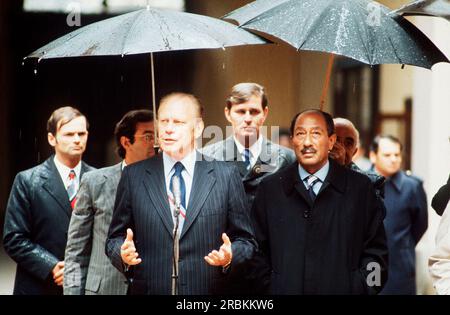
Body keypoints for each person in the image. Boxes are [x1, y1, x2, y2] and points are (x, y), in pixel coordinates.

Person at [106, 92, 256, 295]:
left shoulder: (225, 175)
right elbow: (115, 238)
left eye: (178, 122)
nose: (168, 129)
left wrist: (230, 255)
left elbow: (246, 241)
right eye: (164, 121)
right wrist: (121, 254)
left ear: (198, 128)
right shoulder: (134, 175)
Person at [252, 109, 388, 294]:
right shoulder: (271, 188)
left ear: (331, 141)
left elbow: (377, 255)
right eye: (300, 134)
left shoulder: (361, 188)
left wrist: (361, 288)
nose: (307, 142)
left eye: (316, 133)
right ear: (292, 140)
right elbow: (256, 252)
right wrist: (273, 287)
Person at [3, 106, 94, 295]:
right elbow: (14, 237)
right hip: (39, 284)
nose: (77, 139)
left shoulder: (99, 179)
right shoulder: (28, 180)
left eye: (81, 133)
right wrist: (51, 265)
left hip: (87, 282)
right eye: (69, 134)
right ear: (52, 138)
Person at [63, 109, 155, 295]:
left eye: (158, 136)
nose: (156, 143)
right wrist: (72, 292)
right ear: (126, 141)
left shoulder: (168, 183)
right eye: (148, 136)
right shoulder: (94, 182)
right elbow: (75, 251)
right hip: (104, 289)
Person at [202, 83, 296, 206]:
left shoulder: (287, 158)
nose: (247, 119)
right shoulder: (207, 157)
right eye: (240, 111)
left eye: (254, 112)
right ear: (228, 113)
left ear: (265, 113)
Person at [370, 135, 428, 295]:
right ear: (373, 156)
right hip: (369, 265)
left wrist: (403, 246)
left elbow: (421, 224)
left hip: (400, 265)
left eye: (397, 155)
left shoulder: (412, 186)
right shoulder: (361, 182)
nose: (394, 159)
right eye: (387, 155)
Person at [330, 117, 385, 199]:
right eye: (336, 141)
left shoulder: (371, 182)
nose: (341, 148)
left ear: (354, 152)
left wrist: (339, 172)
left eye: (348, 143)